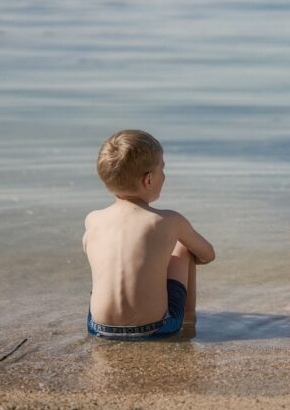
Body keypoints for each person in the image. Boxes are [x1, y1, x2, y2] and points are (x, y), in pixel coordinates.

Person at [83, 129, 215, 340]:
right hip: (157, 328)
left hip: (98, 326)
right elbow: (207, 255)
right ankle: (189, 320)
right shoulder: (170, 220)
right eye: (162, 168)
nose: (165, 174)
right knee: (184, 248)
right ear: (149, 180)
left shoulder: (93, 220)